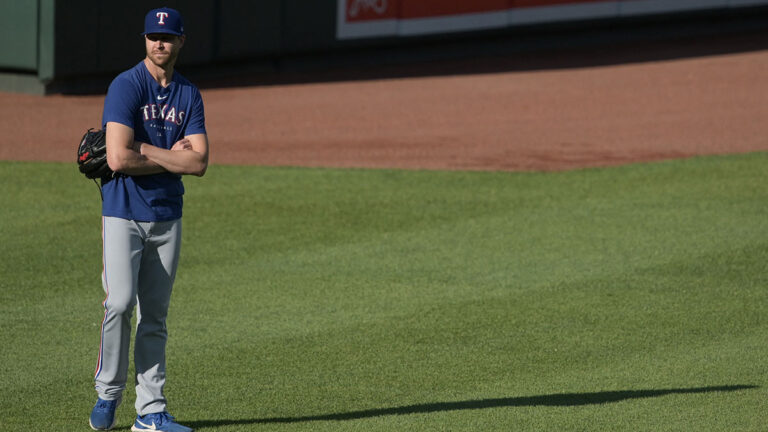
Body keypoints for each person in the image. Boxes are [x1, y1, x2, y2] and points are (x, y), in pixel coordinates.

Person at [88, 7, 208, 432]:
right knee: (119, 304)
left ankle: (150, 412)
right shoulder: (126, 86)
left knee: (154, 317)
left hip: (167, 216)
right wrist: (172, 156)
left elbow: (198, 163)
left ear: (180, 42)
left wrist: (151, 151)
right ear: (145, 40)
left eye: (168, 37)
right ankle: (107, 393)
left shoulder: (189, 94)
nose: (161, 43)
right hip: (122, 213)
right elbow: (118, 158)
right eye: (154, 36)